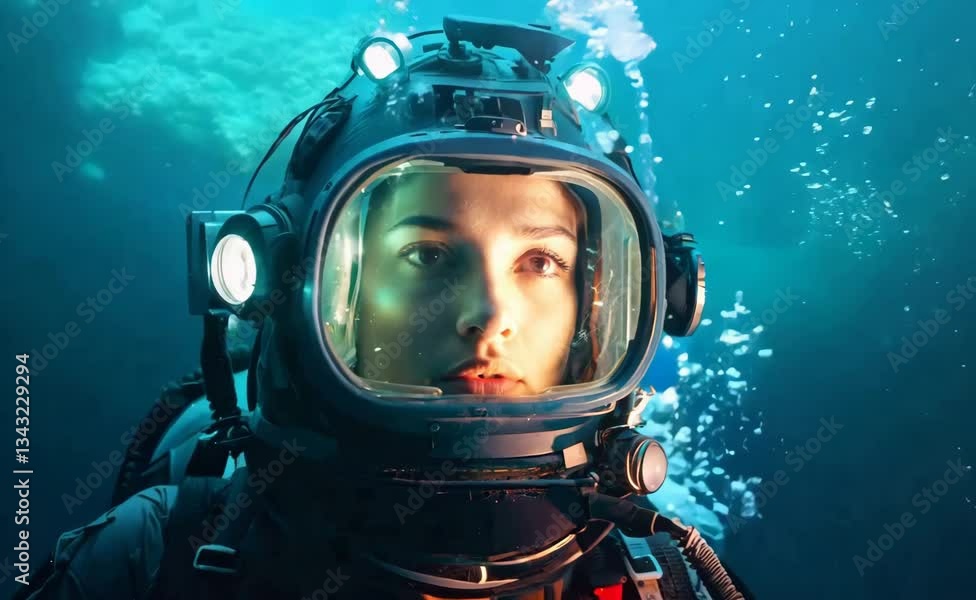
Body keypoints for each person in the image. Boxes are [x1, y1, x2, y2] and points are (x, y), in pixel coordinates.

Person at [16, 14, 752, 600]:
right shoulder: (155, 559)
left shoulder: (662, 576)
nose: (491, 313)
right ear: (291, 278)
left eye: (541, 262)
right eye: (428, 256)